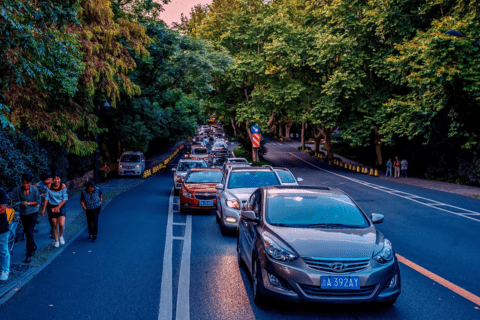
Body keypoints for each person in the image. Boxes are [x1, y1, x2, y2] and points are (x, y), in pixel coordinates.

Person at [9, 173, 41, 263]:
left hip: (33, 213)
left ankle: (28, 254)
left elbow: (38, 201)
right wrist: (20, 203)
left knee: (30, 232)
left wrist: (29, 203)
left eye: (28, 183)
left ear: (30, 183)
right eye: (24, 183)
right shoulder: (18, 189)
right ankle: (33, 246)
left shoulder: (34, 190)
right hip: (23, 213)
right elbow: (13, 200)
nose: (26, 185)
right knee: (28, 233)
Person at [41, 172, 68, 248]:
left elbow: (65, 198)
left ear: (60, 179)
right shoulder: (49, 187)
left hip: (61, 205)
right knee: (54, 224)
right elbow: (46, 198)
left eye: (58, 179)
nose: (56, 180)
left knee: (61, 224)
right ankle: (56, 241)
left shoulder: (63, 186)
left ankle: (61, 236)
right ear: (53, 180)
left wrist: (58, 207)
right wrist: (43, 209)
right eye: (55, 179)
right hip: (52, 206)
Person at [34, 172, 54, 238]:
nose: (44, 182)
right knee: (50, 217)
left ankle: (54, 231)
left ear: (49, 179)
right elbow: (34, 186)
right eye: (43, 181)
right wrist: (40, 193)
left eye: (45, 180)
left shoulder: (54, 182)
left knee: (54, 217)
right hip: (48, 203)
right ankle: (53, 229)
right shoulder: (42, 182)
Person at [0, 188, 10, 281]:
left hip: (1, 226)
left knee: (3, 249)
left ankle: (5, 270)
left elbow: (3, 209)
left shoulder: (1, 192)